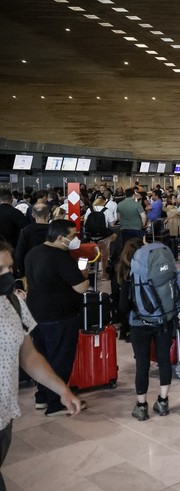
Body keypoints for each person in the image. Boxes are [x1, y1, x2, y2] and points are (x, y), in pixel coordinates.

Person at [0, 241, 83, 489]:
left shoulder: (13, 303)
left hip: (4, 416)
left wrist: (62, 389)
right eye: (0, 269)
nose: (8, 276)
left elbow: (29, 355)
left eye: (9, 268)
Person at [24, 219, 90, 416]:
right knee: (60, 358)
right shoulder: (61, 257)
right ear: (60, 238)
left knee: (43, 358)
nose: (74, 239)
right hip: (60, 315)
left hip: (36, 314)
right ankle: (57, 402)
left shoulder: (32, 253)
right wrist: (84, 274)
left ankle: (42, 396)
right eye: (71, 236)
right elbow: (81, 287)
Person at [115, 239, 175, 421]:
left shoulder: (127, 273)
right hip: (164, 320)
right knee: (164, 360)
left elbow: (123, 307)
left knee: (142, 363)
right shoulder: (156, 268)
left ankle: (141, 406)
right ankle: (163, 402)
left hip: (139, 323)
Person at [13, 203, 50, 278]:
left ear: (33, 215)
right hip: (52, 267)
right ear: (49, 214)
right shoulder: (54, 230)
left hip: (31, 267)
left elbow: (20, 252)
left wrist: (21, 271)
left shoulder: (26, 231)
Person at [163, 195, 180, 261]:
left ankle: (175, 256)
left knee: (174, 240)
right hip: (172, 224)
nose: (175, 199)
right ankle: (174, 256)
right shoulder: (170, 207)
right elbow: (179, 213)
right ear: (170, 200)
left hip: (175, 223)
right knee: (172, 240)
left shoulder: (174, 206)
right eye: (174, 198)